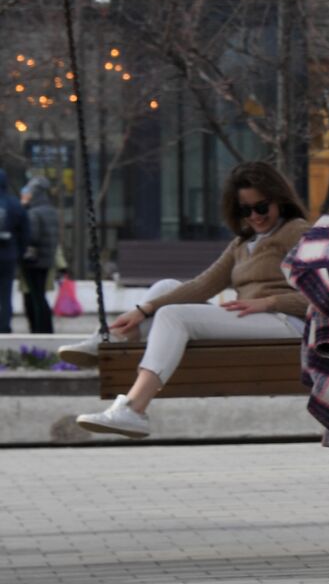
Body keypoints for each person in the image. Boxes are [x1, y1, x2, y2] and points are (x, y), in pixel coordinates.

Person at [61, 162, 310, 438]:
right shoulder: (243, 243)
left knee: (173, 316)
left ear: (279, 200)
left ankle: (133, 409)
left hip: (286, 322)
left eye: (262, 207)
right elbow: (202, 286)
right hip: (251, 318)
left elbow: (325, 296)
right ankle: (108, 338)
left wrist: (270, 302)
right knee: (165, 289)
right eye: (245, 209)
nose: (255, 216)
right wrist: (144, 309)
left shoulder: (297, 232)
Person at [19, 175, 60, 334]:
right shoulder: (51, 211)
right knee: (40, 295)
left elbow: (31, 236)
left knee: (36, 297)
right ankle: (45, 327)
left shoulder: (33, 212)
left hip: (33, 260)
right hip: (46, 259)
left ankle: (40, 329)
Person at [0, 171, 29, 334]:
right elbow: (25, 231)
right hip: (7, 255)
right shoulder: (14, 204)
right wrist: (20, 251)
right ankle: (4, 326)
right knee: (6, 293)